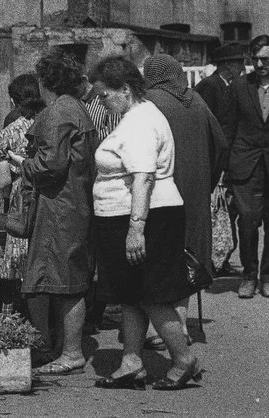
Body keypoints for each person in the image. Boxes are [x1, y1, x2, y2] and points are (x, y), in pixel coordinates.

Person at [90, 56, 201, 391]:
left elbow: (144, 177)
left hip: (145, 216)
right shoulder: (137, 115)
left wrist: (136, 229)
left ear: (125, 89)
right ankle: (131, 361)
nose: (101, 102)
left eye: (104, 95)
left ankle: (183, 358)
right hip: (136, 215)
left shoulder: (139, 121)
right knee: (131, 294)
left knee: (152, 294)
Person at [5, 51, 97, 375]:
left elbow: (50, 166)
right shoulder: (76, 107)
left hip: (59, 206)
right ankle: (60, 346)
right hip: (73, 203)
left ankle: (70, 352)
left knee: (64, 281)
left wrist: (23, 163)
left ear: (47, 82)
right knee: (64, 277)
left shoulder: (59, 111)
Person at [143, 54, 227, 345]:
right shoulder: (197, 101)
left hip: (160, 190)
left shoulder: (149, 102)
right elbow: (221, 145)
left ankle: (158, 329)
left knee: (159, 256)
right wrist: (206, 182)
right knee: (188, 254)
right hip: (195, 192)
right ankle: (180, 324)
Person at [0, 74, 45, 315]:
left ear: (13, 101)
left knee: (16, 254)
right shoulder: (49, 123)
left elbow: (3, 180)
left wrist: (8, 195)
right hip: (49, 194)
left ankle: (12, 311)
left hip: (20, 197)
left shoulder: (10, 132)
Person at [195, 43, 246, 276]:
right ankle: (207, 262)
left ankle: (220, 260)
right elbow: (205, 126)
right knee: (213, 212)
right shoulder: (209, 86)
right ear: (227, 64)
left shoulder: (230, 86)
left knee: (225, 213)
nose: (242, 67)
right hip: (212, 161)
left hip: (227, 160)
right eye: (239, 62)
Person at [225, 35, 269, 299]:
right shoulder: (240, 86)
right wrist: (224, 167)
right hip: (245, 165)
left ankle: (267, 276)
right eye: (256, 59)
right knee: (248, 223)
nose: (260, 64)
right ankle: (249, 276)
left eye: (266, 59)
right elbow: (228, 127)